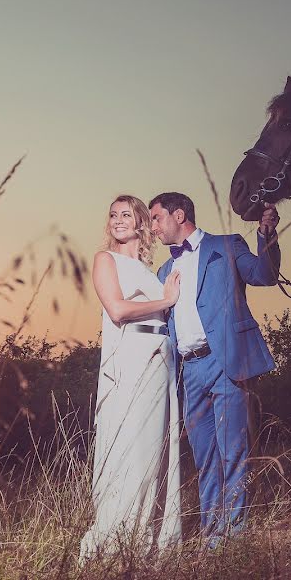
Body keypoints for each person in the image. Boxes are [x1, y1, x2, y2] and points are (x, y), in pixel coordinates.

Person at [149, 192, 280, 547]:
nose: (154, 227)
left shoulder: (226, 245)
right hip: (189, 372)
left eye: (157, 218)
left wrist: (267, 235)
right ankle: (213, 536)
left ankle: (236, 535)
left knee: (232, 450)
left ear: (179, 215)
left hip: (226, 363)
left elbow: (265, 275)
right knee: (205, 457)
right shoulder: (165, 270)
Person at [80, 195, 183, 559]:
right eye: (113, 215)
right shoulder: (104, 260)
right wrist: (166, 301)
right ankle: (116, 541)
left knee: (153, 454)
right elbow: (119, 310)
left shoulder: (151, 272)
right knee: (128, 451)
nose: (118, 220)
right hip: (131, 360)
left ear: (141, 222)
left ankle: (150, 540)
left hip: (160, 362)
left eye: (126, 214)